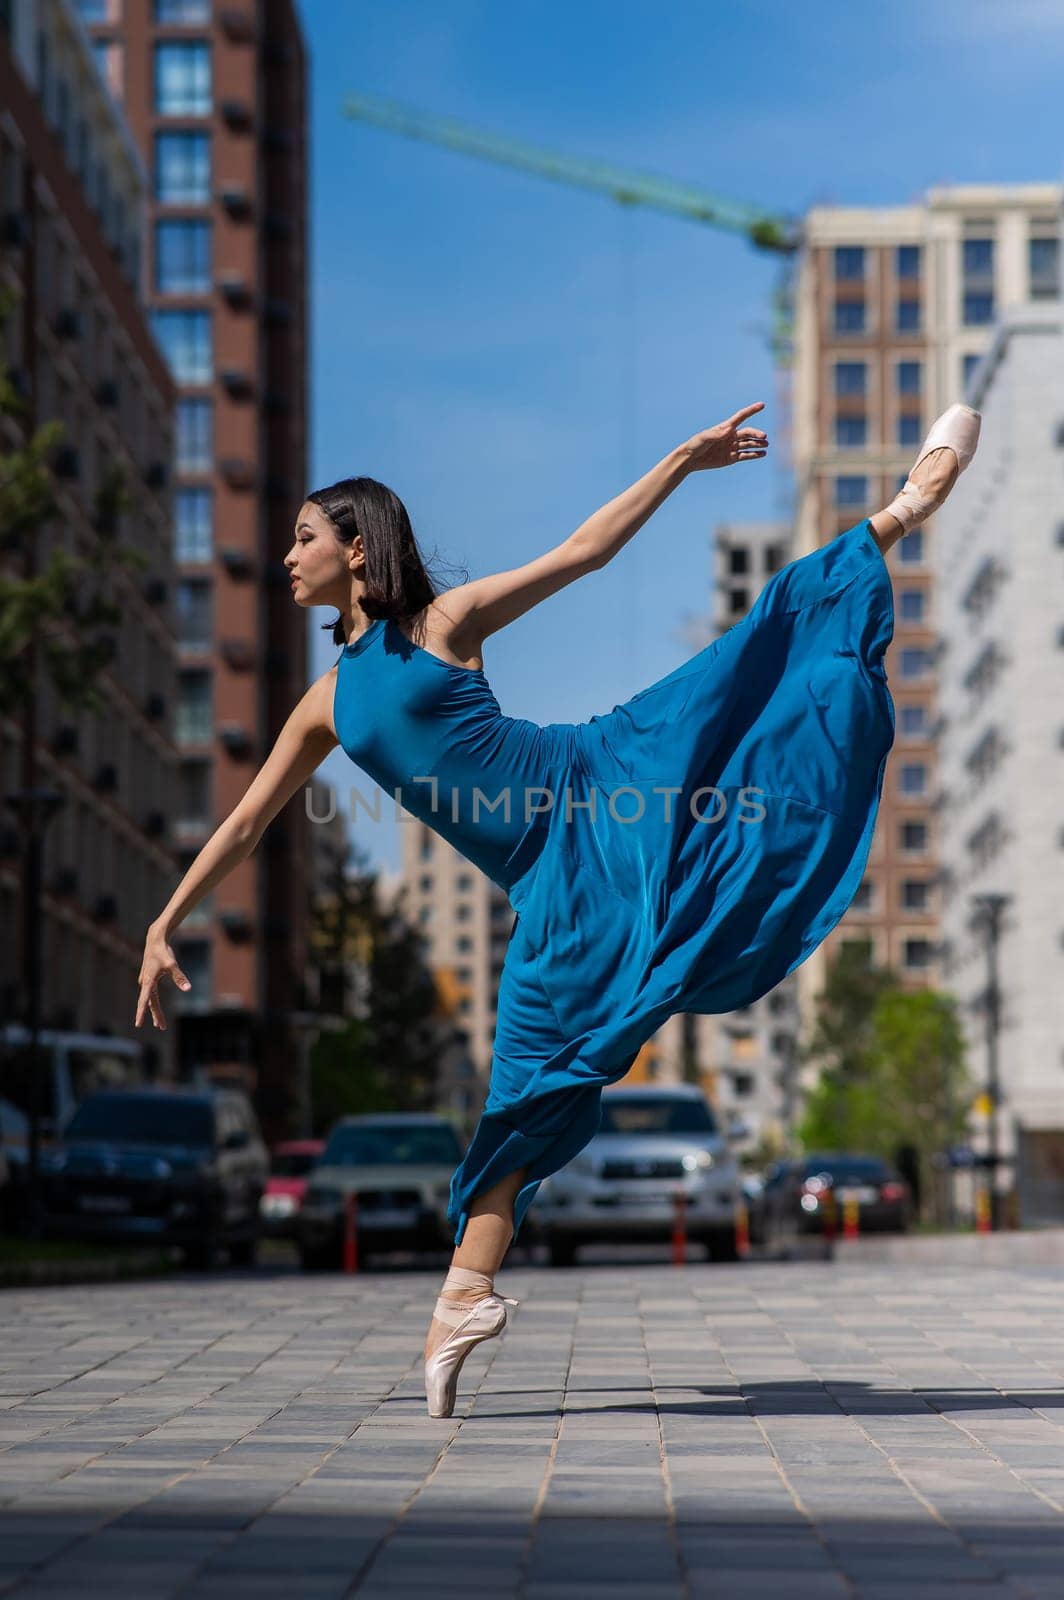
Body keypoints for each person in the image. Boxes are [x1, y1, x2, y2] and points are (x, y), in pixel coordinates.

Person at [135, 399, 980, 1419]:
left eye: (304, 538)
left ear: (356, 550)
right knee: (527, 1087)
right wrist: (161, 919)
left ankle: (899, 508)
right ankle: (460, 1303)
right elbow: (242, 825)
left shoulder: (438, 625)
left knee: (737, 673)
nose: (285, 556)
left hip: (599, 781)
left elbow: (583, 551)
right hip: (548, 887)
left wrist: (680, 457)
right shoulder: (324, 702)